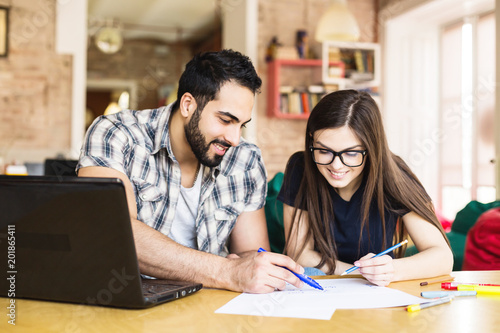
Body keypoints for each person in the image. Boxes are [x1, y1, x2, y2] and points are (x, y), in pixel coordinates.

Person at [77, 49, 305, 293]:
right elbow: (113, 232)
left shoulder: (245, 158)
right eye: (226, 120)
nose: (235, 138)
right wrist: (227, 272)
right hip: (126, 297)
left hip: (210, 303)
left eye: (241, 125)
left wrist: (256, 268)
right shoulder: (115, 133)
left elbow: (250, 251)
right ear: (188, 105)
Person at [279, 89, 453, 286]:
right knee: (309, 271)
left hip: (376, 288)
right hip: (321, 286)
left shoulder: (393, 174)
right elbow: (299, 254)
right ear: (311, 140)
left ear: (371, 148)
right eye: (324, 150)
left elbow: (443, 257)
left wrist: (391, 270)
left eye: (352, 153)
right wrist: (359, 273)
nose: (336, 165)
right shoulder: (300, 167)